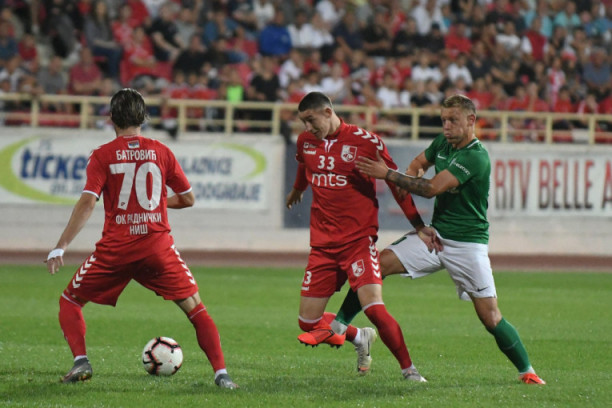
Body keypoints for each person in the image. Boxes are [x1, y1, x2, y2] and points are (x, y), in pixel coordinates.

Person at [326, 94, 546, 385]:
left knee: (490, 317)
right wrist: (410, 172)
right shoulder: (444, 143)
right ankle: (340, 325)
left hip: (468, 245)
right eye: (444, 120)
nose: (446, 126)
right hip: (436, 237)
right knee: (377, 264)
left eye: (453, 120)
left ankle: (527, 371)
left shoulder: (475, 156)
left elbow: (430, 189)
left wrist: (389, 175)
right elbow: (420, 162)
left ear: (471, 120)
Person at [45, 88, 238, 389]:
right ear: (144, 117)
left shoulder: (102, 155)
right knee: (197, 309)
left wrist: (61, 246)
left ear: (111, 118)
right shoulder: (161, 151)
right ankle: (222, 375)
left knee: (70, 300)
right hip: (157, 248)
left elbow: (88, 202)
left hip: (116, 251)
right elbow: (188, 198)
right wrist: (156, 204)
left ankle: (81, 361)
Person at [286, 91, 438, 381]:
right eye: (303, 121)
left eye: (311, 120)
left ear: (328, 112)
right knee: (307, 322)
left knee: (374, 308)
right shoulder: (306, 141)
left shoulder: (366, 142)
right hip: (322, 246)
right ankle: (360, 337)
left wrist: (419, 225)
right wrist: (297, 190)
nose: (307, 127)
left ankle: (410, 371)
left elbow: (395, 184)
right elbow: (304, 165)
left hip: (358, 242)